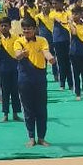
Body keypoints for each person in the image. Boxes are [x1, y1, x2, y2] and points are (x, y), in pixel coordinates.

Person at [14, 18, 55, 148]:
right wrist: (22, 54)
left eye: (29, 28)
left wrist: (51, 58)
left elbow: (46, 51)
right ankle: (31, 137)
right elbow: (17, 55)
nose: (27, 31)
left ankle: (42, 138)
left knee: (41, 109)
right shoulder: (19, 41)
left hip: (40, 77)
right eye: (24, 29)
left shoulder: (42, 40)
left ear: (34, 29)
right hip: (25, 78)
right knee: (28, 109)